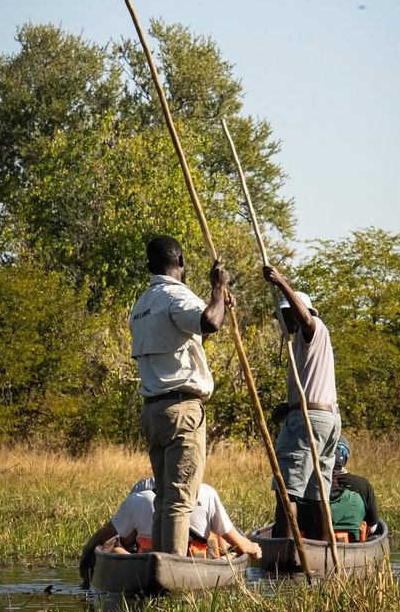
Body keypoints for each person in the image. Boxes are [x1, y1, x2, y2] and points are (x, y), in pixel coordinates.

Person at [129, 236, 233, 556]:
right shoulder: (176, 295)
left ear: (149, 266)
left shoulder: (141, 305)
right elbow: (209, 322)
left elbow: (190, 341)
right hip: (181, 410)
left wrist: (219, 305)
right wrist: (217, 288)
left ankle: (159, 565)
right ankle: (172, 572)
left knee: (164, 498)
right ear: (181, 261)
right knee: (179, 502)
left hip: (154, 411)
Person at [263, 264, 341, 540]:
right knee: (317, 492)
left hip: (310, 420)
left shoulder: (313, 329)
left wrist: (281, 281)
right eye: (282, 316)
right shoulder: (301, 343)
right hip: (326, 418)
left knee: (286, 490)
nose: (286, 320)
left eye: (288, 314)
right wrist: (288, 406)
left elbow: (305, 319)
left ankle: (288, 552)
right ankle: (322, 550)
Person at [78, 478, 262, 581]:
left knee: (114, 545)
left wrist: (90, 552)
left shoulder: (138, 499)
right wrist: (253, 547)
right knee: (220, 540)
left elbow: (100, 539)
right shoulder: (207, 493)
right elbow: (241, 546)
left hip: (145, 569)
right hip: (195, 570)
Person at [332, 435, 380, 533]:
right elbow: (372, 528)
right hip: (354, 539)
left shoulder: (313, 484)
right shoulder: (363, 484)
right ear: (346, 457)